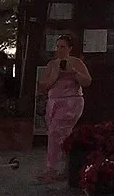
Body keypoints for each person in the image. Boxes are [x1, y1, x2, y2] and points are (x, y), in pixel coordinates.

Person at [37, 32, 91, 184]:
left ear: (70, 48)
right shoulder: (52, 64)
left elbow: (87, 81)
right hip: (54, 102)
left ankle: (53, 168)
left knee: (57, 131)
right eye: (58, 46)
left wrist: (74, 73)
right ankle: (64, 167)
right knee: (56, 134)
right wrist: (55, 76)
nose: (60, 50)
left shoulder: (76, 63)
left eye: (63, 47)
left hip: (71, 102)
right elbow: (43, 86)